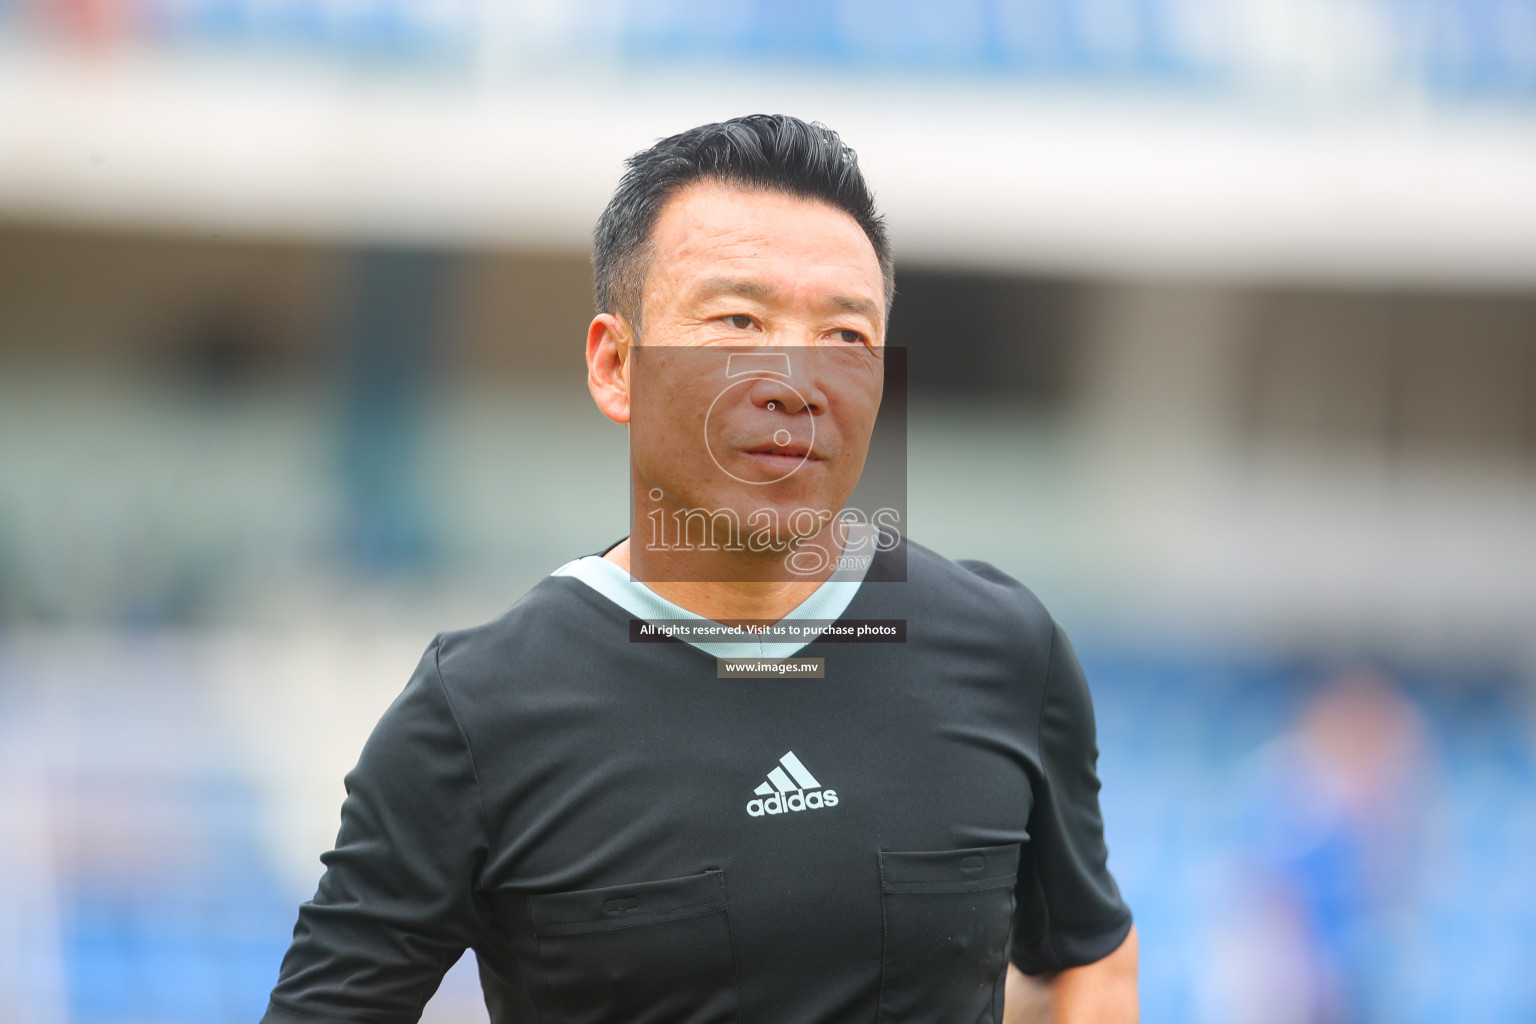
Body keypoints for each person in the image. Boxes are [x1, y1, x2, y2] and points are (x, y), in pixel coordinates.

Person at [261, 114, 1137, 1024]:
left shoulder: (1004, 649)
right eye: (737, 320)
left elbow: (1090, 954)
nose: (796, 381)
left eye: (846, 336)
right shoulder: (479, 710)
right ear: (614, 365)